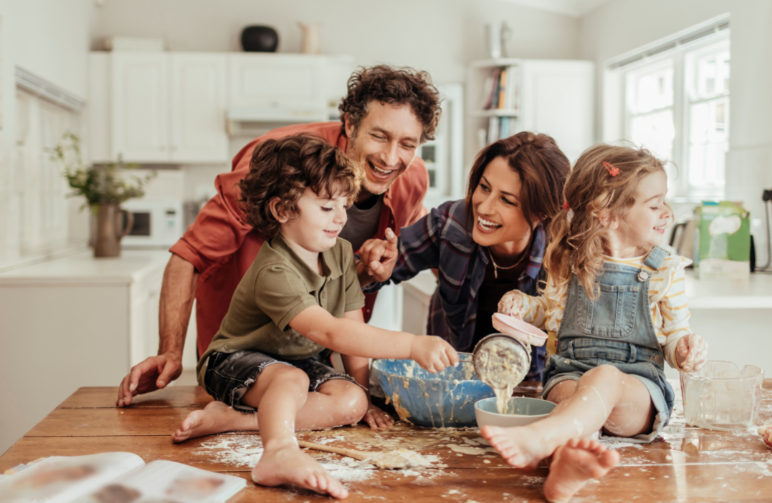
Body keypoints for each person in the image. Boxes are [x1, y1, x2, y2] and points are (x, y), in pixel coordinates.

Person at [115, 66, 442, 424]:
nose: (391, 157)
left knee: (330, 398)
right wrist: (170, 353)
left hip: (308, 345)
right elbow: (189, 255)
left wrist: (371, 270)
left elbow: (348, 289)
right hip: (246, 345)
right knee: (284, 384)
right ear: (350, 124)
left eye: (408, 144)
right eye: (379, 136)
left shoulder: (411, 180)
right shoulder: (284, 163)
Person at [171, 135, 458, 499]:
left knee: (350, 402)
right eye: (326, 207)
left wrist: (365, 393)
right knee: (289, 379)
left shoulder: (339, 253)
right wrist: (413, 344)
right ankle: (278, 452)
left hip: (295, 361)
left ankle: (233, 420)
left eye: (344, 204)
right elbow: (332, 333)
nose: (341, 217)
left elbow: (353, 327)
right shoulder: (274, 271)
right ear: (283, 210)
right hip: (232, 361)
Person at [485, 144, 709, 503]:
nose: (666, 212)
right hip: (571, 373)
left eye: (663, 201)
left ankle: (542, 439)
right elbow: (549, 311)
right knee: (567, 398)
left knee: (604, 377)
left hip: (636, 389)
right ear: (606, 214)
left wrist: (683, 350)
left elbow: (673, 335)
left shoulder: (664, 269)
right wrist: (523, 306)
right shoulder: (568, 260)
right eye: (654, 205)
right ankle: (566, 466)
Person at [358, 132, 570, 379]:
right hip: (451, 376)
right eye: (484, 187)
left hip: (531, 385)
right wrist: (371, 266)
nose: (484, 207)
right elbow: (362, 277)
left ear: (541, 212)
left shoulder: (564, 253)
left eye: (507, 200)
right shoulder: (451, 223)